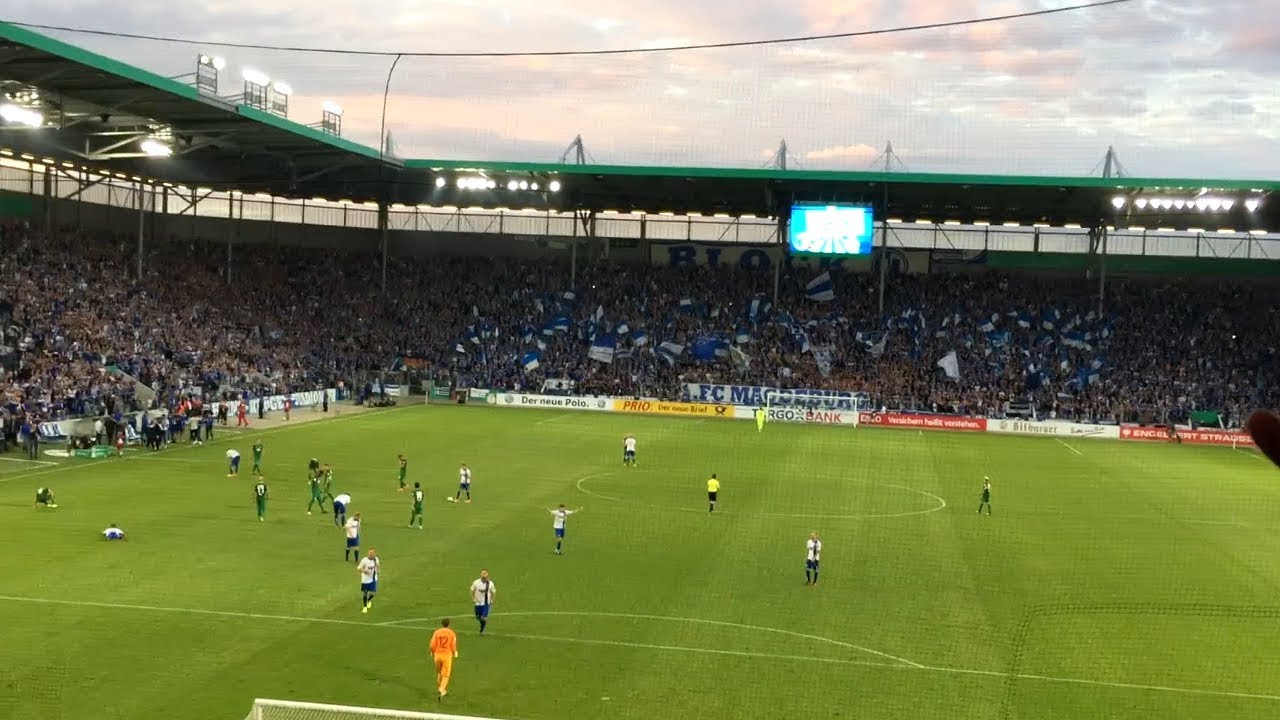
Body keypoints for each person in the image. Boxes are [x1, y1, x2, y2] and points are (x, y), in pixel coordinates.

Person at [429, 618, 459, 702]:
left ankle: (441, 688)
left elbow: (431, 645)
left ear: (442, 624)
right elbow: (453, 645)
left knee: (439, 672)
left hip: (437, 655)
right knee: (445, 675)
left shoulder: (437, 632)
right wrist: (455, 652)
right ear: (449, 624)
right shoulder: (452, 634)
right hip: (446, 656)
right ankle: (441, 689)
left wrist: (432, 652)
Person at [357, 548, 380, 614]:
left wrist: (378, 571)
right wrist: (364, 571)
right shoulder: (364, 560)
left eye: (372, 553)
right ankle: (364, 607)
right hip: (365, 580)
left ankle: (368, 600)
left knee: (373, 593)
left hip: (373, 579)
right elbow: (358, 568)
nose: (371, 554)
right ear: (368, 553)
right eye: (370, 553)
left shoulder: (376, 559)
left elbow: (377, 565)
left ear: (374, 554)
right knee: (365, 593)